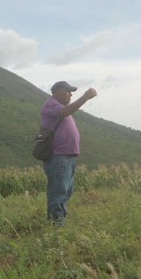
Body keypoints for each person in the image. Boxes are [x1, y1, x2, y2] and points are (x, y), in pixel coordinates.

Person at [40, 81, 98, 226]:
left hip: (67, 157)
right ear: (57, 91)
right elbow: (65, 112)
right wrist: (85, 97)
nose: (70, 94)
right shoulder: (51, 105)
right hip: (59, 156)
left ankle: (58, 221)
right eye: (68, 91)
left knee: (65, 191)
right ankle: (57, 225)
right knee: (59, 191)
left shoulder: (60, 107)